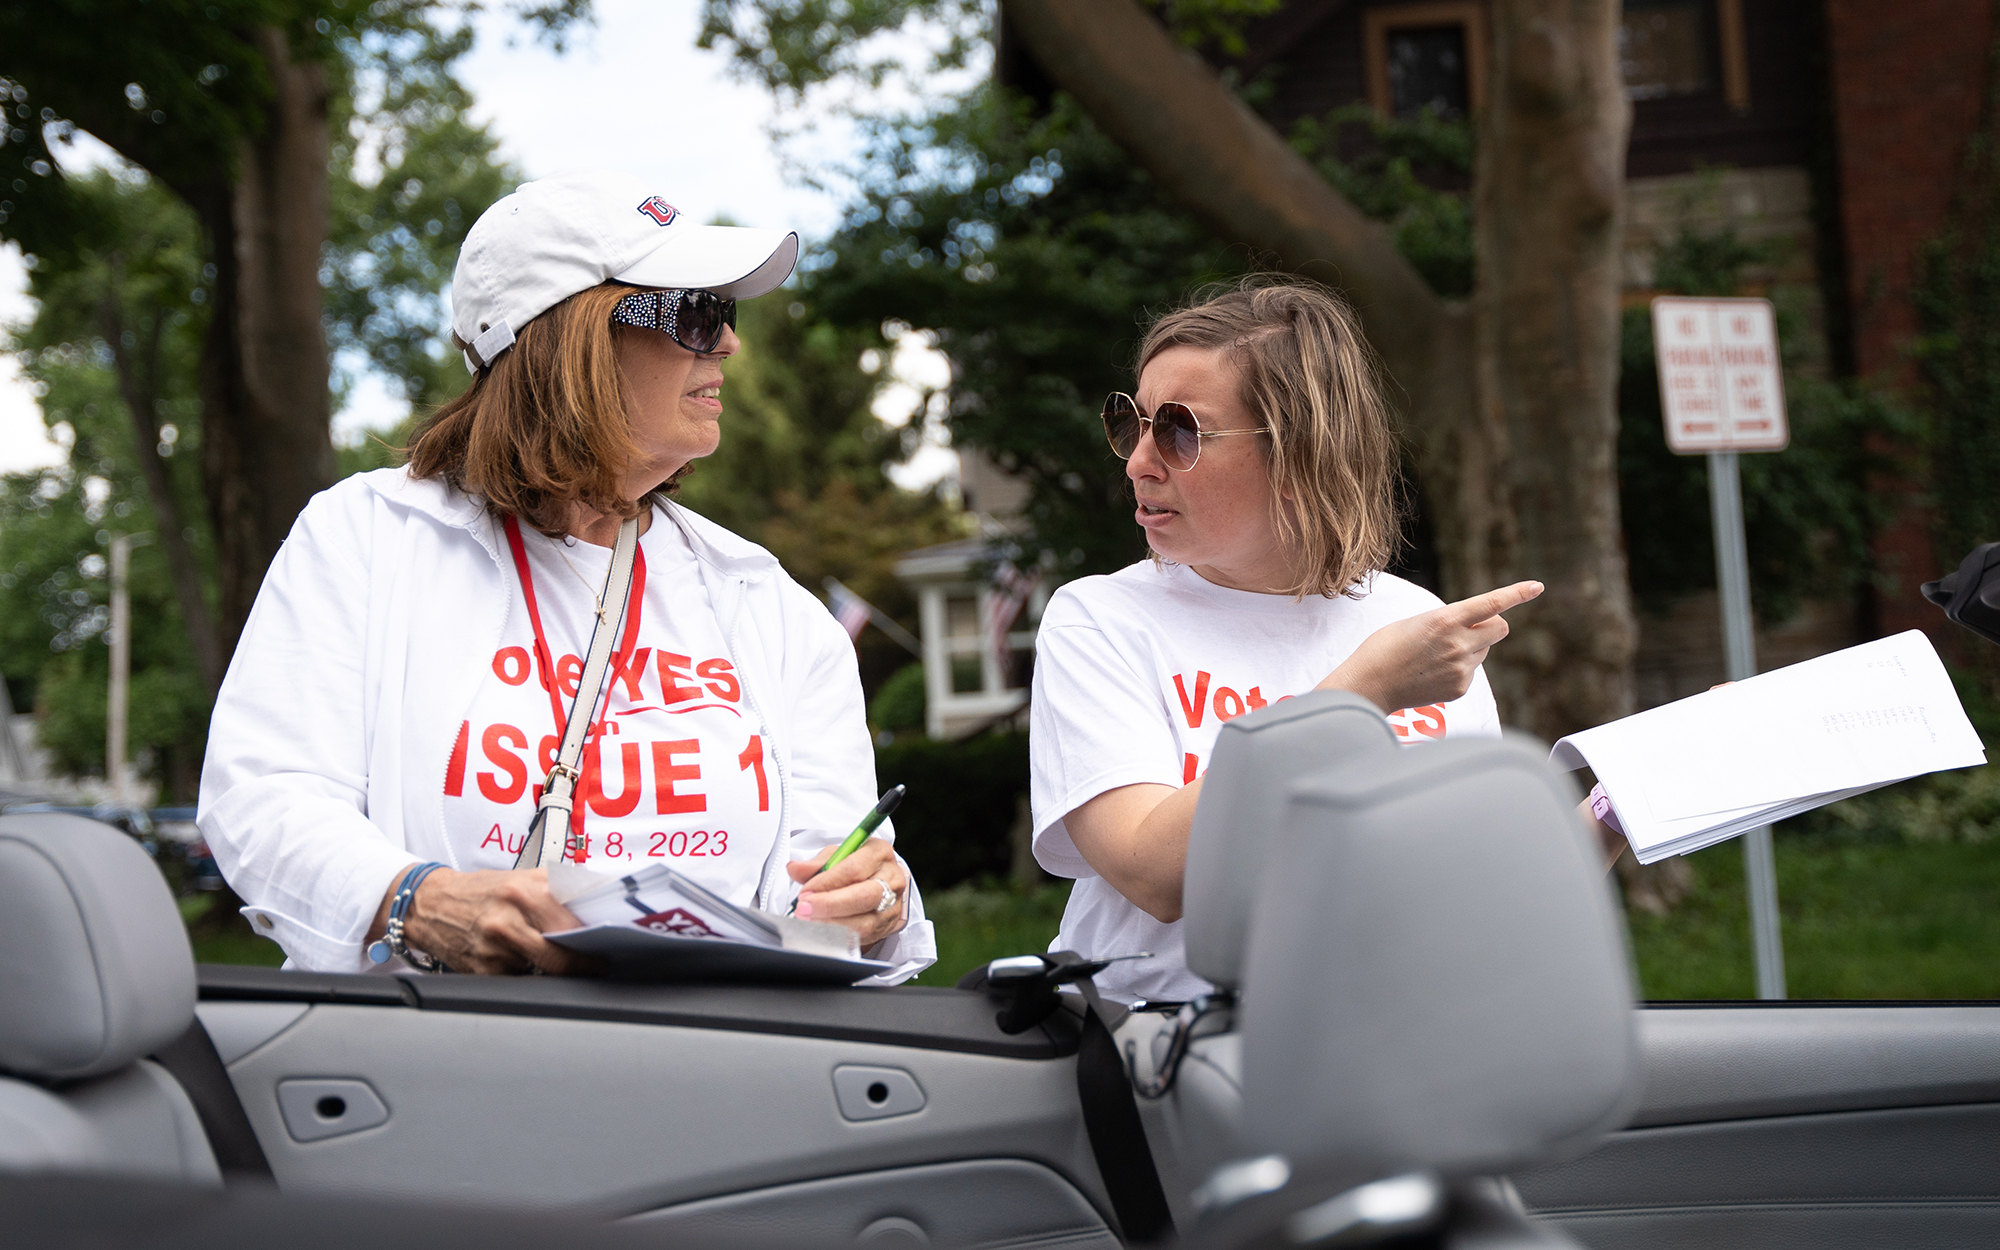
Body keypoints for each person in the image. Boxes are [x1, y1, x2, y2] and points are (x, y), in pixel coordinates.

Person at [198, 171, 934, 981]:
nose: (729, 343)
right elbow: (264, 801)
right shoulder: (369, 537)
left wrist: (874, 902)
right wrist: (414, 899)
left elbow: (838, 874)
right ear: (570, 338)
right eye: (696, 314)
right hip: (440, 1058)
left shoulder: (764, 601)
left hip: (717, 1066)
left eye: (724, 315)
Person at [1029, 277, 1613, 1006]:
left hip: (1375, 1047)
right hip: (1157, 1053)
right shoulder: (1099, 617)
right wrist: (1363, 691)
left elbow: (1478, 904)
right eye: (1132, 422)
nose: (1138, 461)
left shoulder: (1411, 620)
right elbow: (1153, 872)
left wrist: (1617, 809)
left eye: (1179, 431)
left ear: (1301, 451)